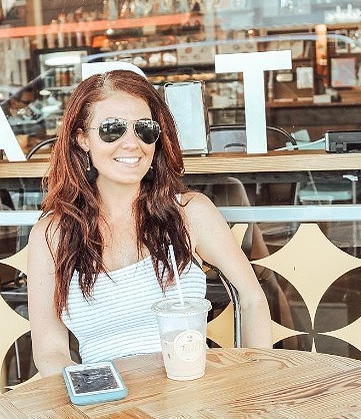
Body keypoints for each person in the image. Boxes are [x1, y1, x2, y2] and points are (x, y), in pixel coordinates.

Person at [27, 70, 273, 377]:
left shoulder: (189, 213)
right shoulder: (52, 236)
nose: (132, 144)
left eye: (144, 129)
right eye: (112, 129)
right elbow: (51, 352)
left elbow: (252, 299)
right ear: (82, 139)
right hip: (108, 404)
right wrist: (95, 392)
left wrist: (258, 385)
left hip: (191, 395)